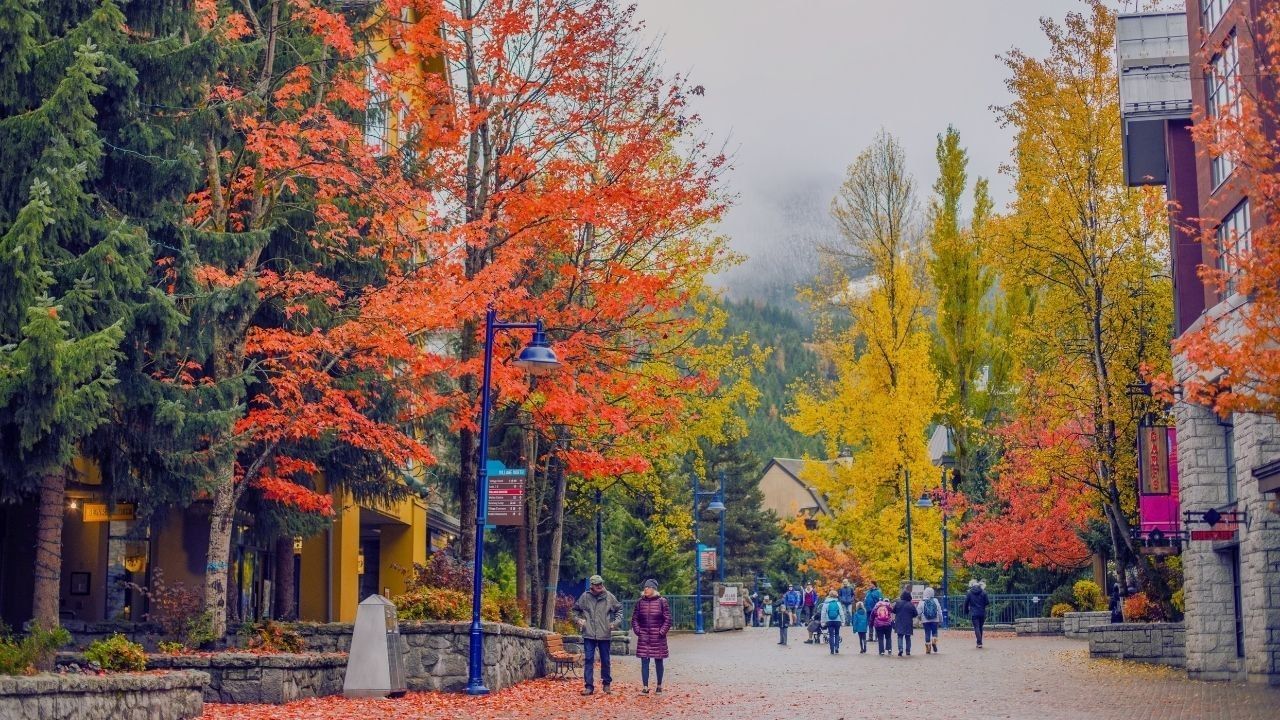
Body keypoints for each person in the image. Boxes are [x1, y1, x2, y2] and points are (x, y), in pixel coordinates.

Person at [573, 574, 623, 695]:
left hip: (604, 633)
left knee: (605, 660)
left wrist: (614, 623)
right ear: (592, 586)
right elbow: (574, 611)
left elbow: (619, 610)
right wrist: (578, 620)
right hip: (589, 633)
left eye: (601, 583)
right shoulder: (585, 596)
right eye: (597, 584)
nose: (600, 586)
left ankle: (606, 684)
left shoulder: (609, 596)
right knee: (589, 659)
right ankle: (589, 687)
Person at [631, 579, 672, 695]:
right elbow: (635, 619)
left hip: (658, 638)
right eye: (645, 587)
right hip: (644, 637)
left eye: (648, 587)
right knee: (644, 661)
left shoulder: (662, 602)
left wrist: (661, 632)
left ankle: (659, 686)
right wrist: (638, 631)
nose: (645, 589)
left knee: (659, 661)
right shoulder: (640, 602)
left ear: (653, 589)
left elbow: (668, 619)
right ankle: (645, 687)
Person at [961, 578, 990, 648]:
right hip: (982, 612)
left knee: (976, 627)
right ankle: (979, 642)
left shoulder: (969, 593)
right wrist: (982, 605)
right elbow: (987, 602)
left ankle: (979, 642)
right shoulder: (983, 592)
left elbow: (966, 603)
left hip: (974, 613)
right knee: (980, 627)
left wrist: (966, 611)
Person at [892, 589, 918, 656]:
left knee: (900, 636)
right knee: (908, 637)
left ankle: (900, 649)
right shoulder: (911, 604)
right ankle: (908, 651)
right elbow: (915, 613)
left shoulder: (898, 603)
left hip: (899, 622)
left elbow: (893, 611)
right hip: (908, 623)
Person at [919, 586, 942, 654]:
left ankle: (928, 647)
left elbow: (918, 612)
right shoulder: (935, 600)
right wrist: (941, 619)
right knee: (934, 632)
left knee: (927, 632)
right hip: (935, 619)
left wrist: (920, 618)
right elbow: (939, 611)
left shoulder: (922, 601)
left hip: (925, 620)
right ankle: (934, 641)